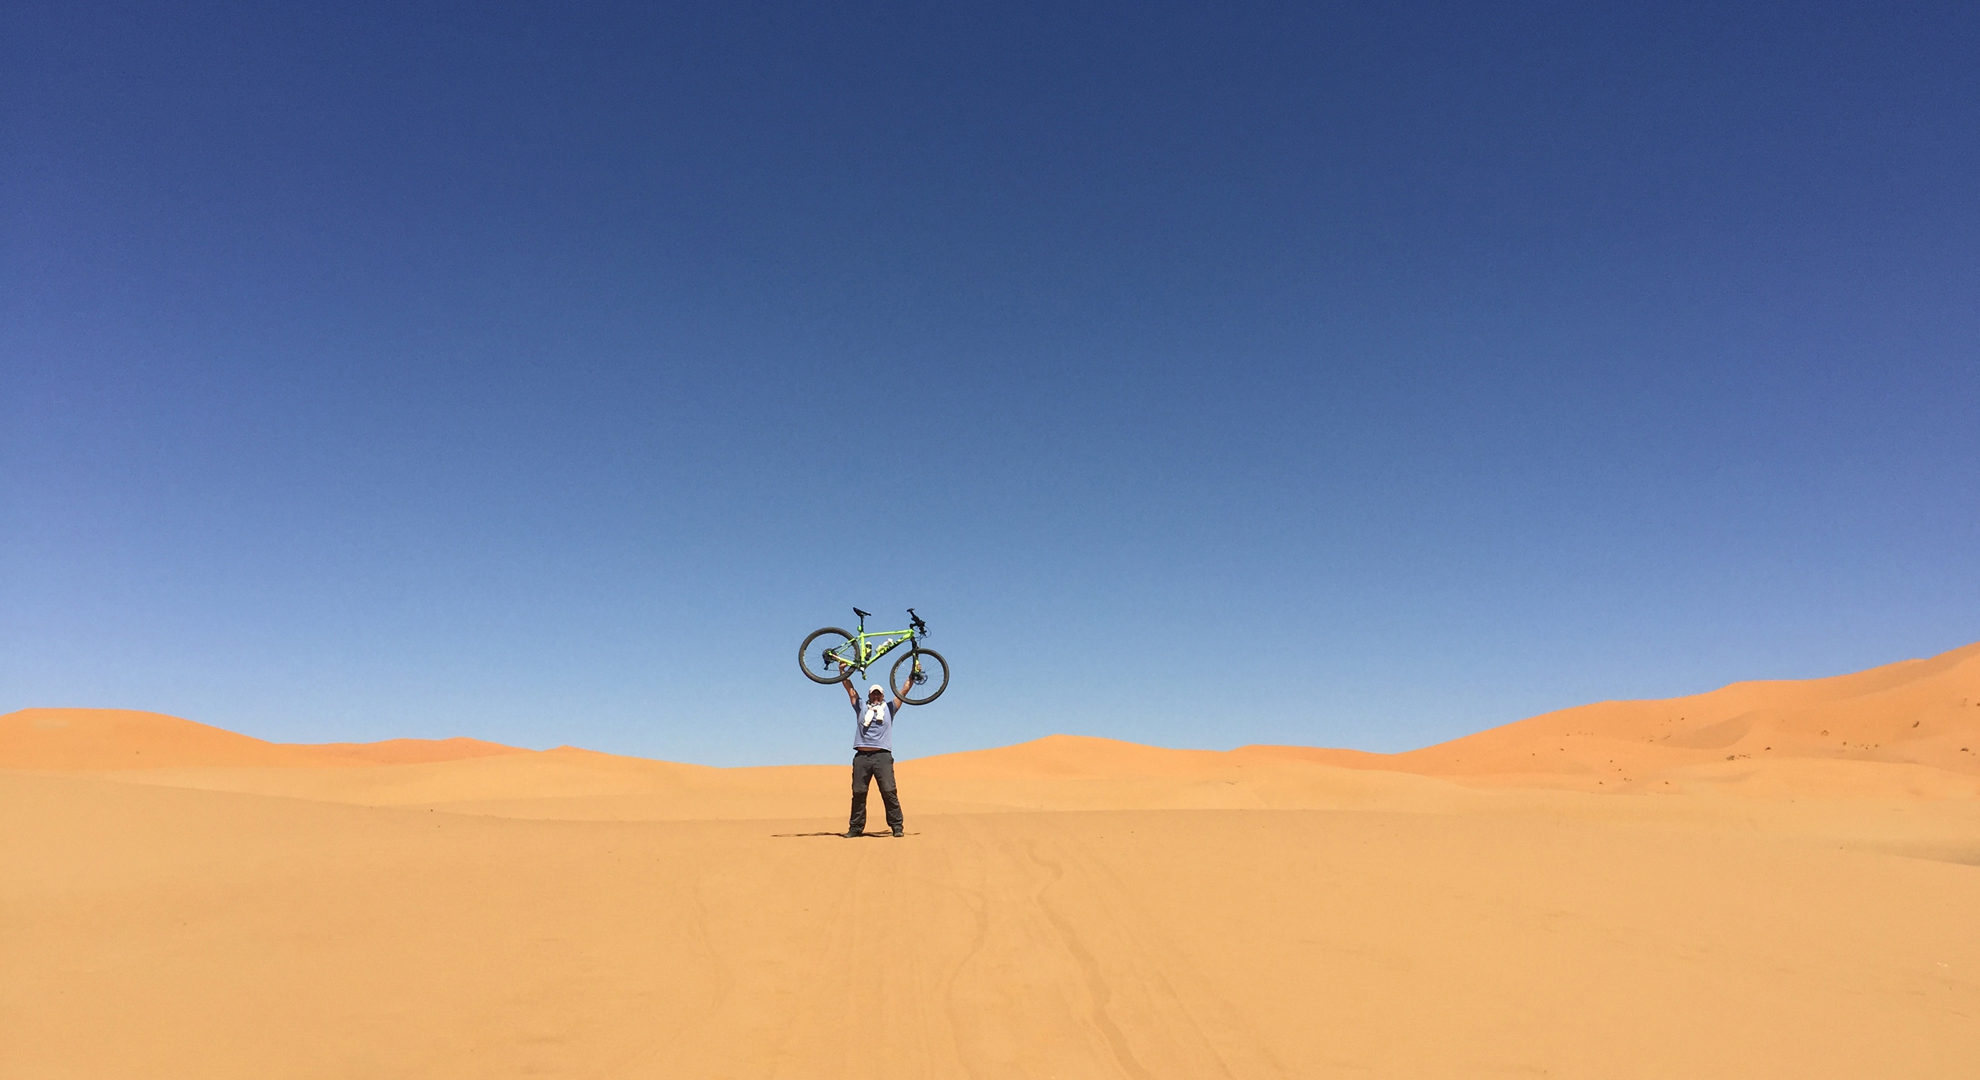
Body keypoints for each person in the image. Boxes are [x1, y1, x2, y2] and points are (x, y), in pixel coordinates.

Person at [839, 663, 906, 837]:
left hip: (882, 756)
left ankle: (897, 826)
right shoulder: (861, 706)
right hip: (862, 757)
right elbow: (850, 689)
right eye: (873, 693)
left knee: (888, 791)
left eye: (879, 693)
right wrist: (842, 672)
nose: (876, 696)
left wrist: (914, 674)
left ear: (883, 695)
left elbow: (904, 690)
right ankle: (855, 828)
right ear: (869, 695)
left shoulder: (889, 708)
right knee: (859, 793)